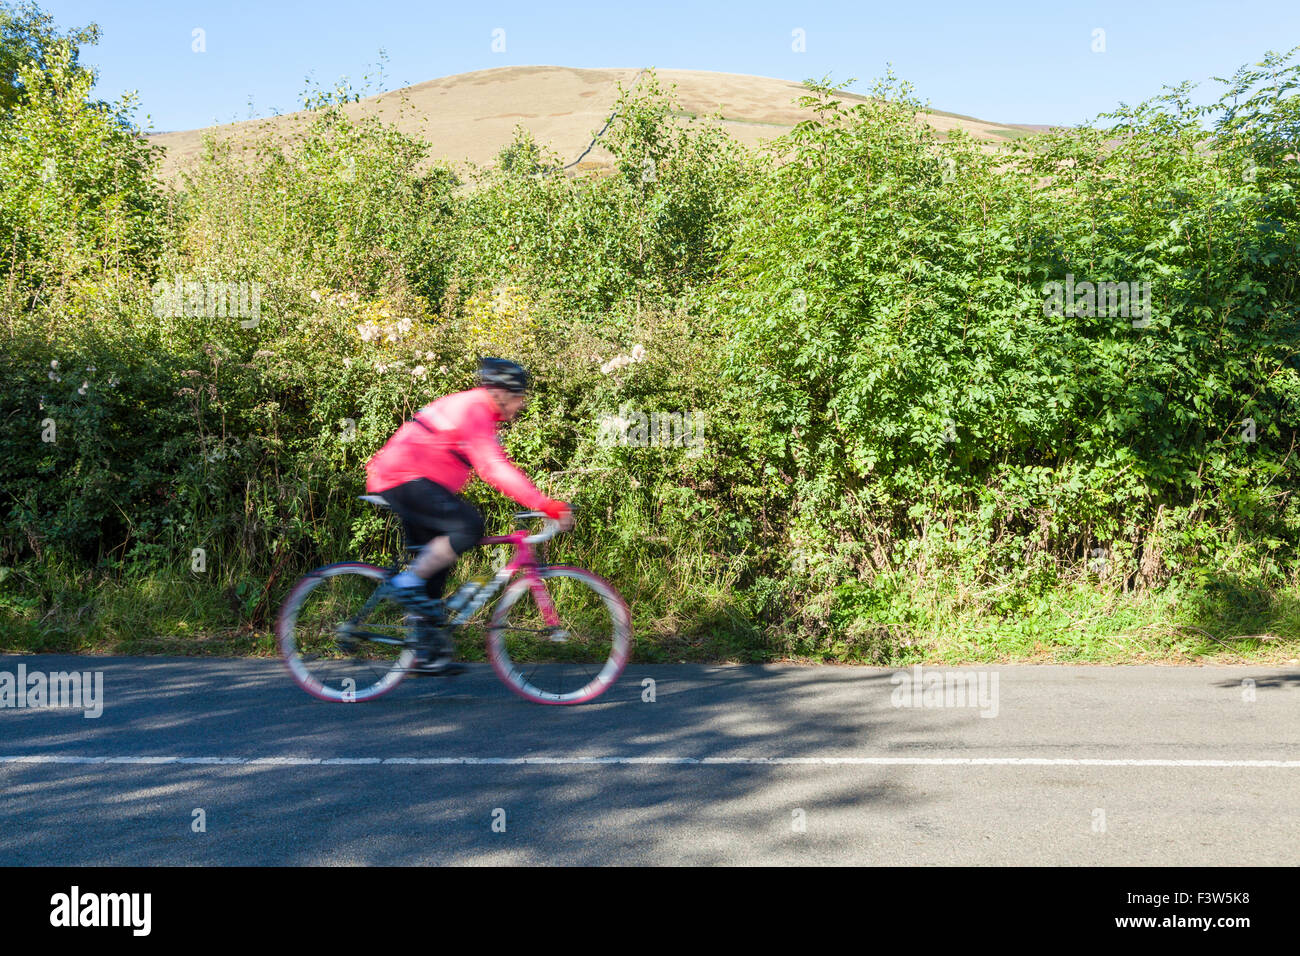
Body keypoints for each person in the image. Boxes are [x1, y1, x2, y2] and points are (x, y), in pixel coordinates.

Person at [364, 357, 572, 673]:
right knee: (469, 526)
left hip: (409, 478)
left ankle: (426, 652)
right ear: (500, 392)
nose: (521, 403)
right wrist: (544, 503)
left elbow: (487, 461)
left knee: (435, 564)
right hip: (403, 477)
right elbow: (493, 467)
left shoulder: (478, 413)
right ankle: (405, 585)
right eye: (518, 396)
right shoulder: (475, 409)